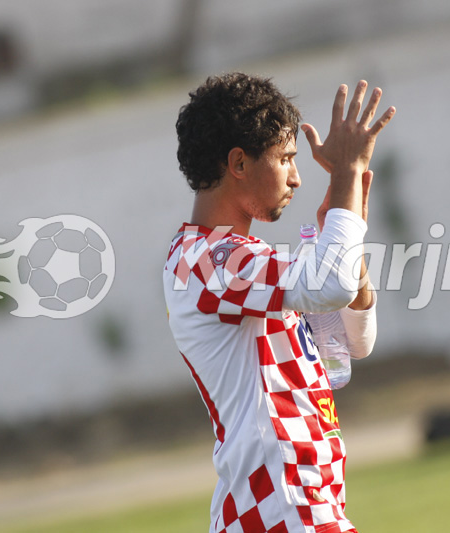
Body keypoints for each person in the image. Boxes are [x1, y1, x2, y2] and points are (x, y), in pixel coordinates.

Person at [163, 73, 394, 532]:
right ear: (239, 163)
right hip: (283, 504)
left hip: (292, 504)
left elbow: (354, 342)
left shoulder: (241, 260)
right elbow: (330, 286)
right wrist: (347, 173)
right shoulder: (204, 260)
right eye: (286, 158)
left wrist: (347, 239)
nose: (296, 177)